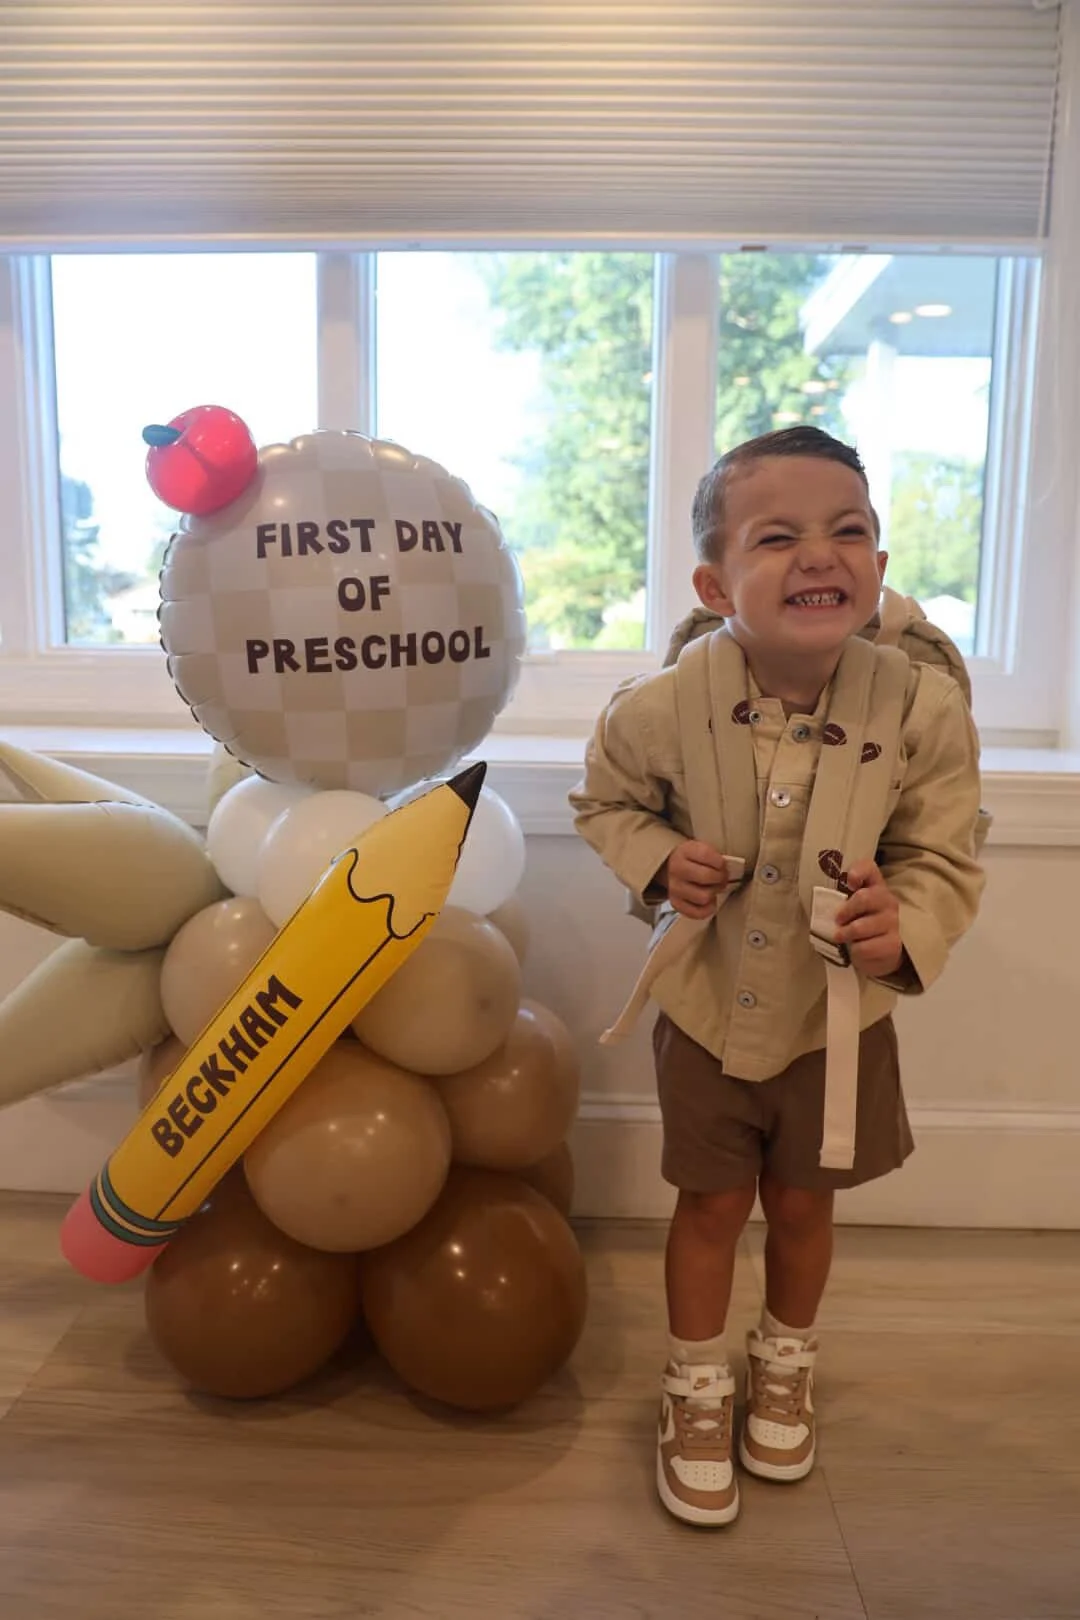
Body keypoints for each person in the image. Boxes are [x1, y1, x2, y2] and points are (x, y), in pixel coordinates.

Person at [569, 425, 986, 1528]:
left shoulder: (922, 709)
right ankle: (696, 1383)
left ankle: (785, 1360)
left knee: (806, 1201)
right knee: (710, 1201)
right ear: (716, 583)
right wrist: (660, 865)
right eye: (779, 536)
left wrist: (908, 921)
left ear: (880, 569)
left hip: (833, 1023)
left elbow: (945, 853)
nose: (821, 555)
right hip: (706, 1010)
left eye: (850, 531)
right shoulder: (656, 708)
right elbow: (605, 805)